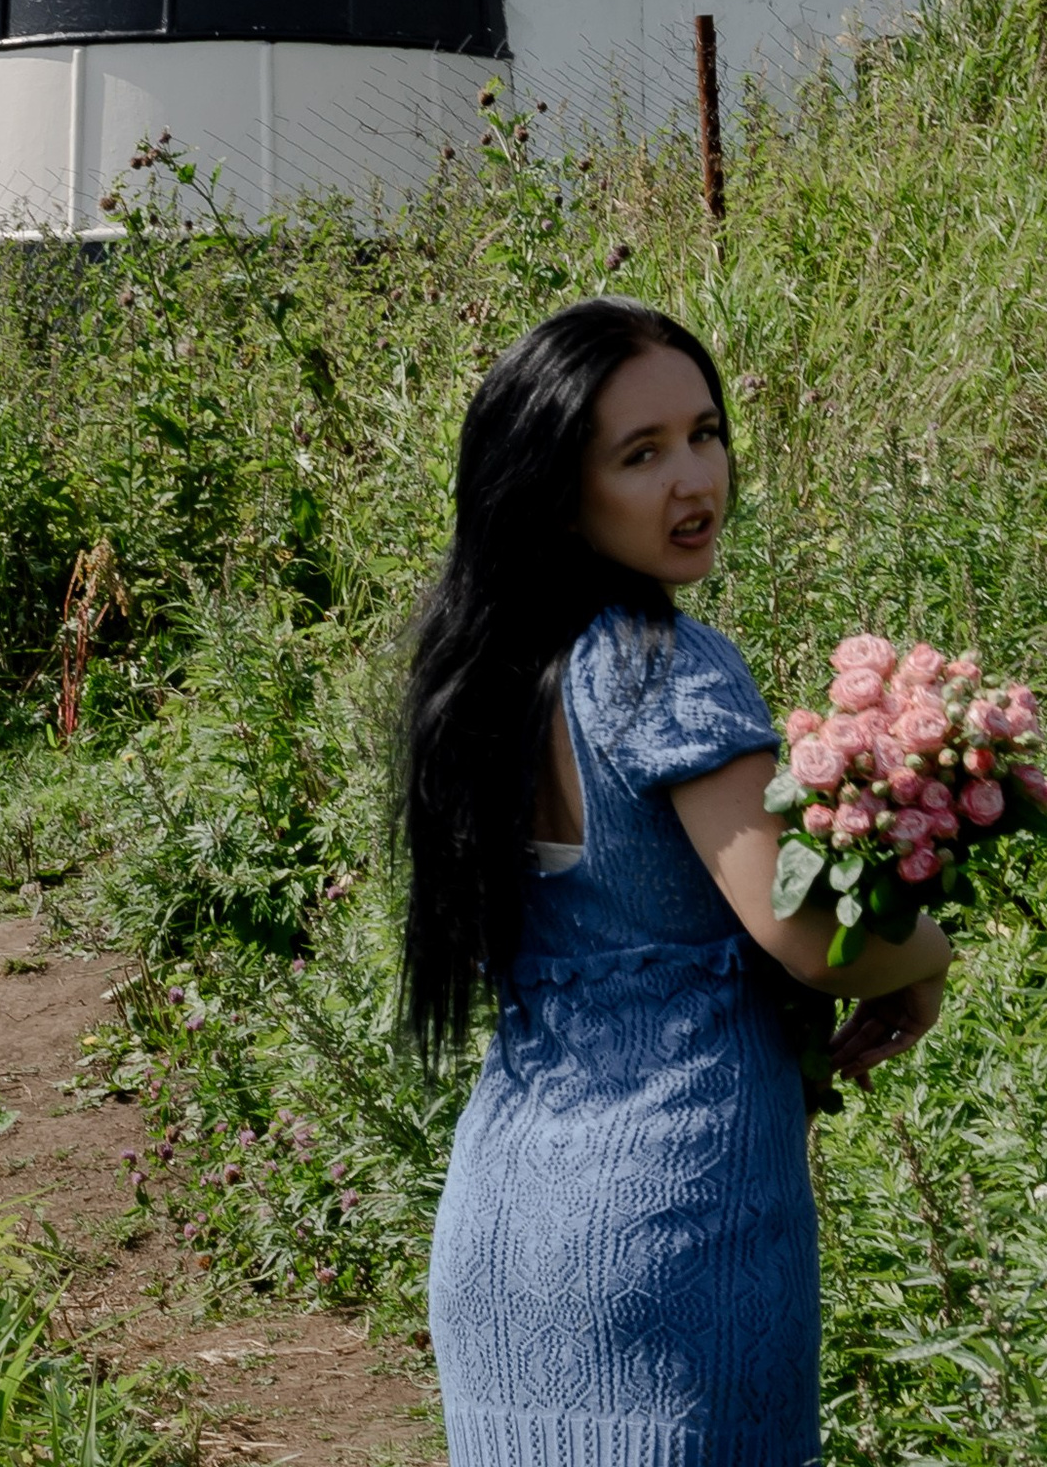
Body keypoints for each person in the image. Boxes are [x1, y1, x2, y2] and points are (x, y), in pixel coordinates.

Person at [400, 298, 952, 1467]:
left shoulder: (491, 673)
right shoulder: (659, 663)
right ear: (557, 490)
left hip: (504, 1233)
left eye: (703, 435)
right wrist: (927, 956)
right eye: (639, 455)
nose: (692, 478)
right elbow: (803, 933)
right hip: (666, 1232)